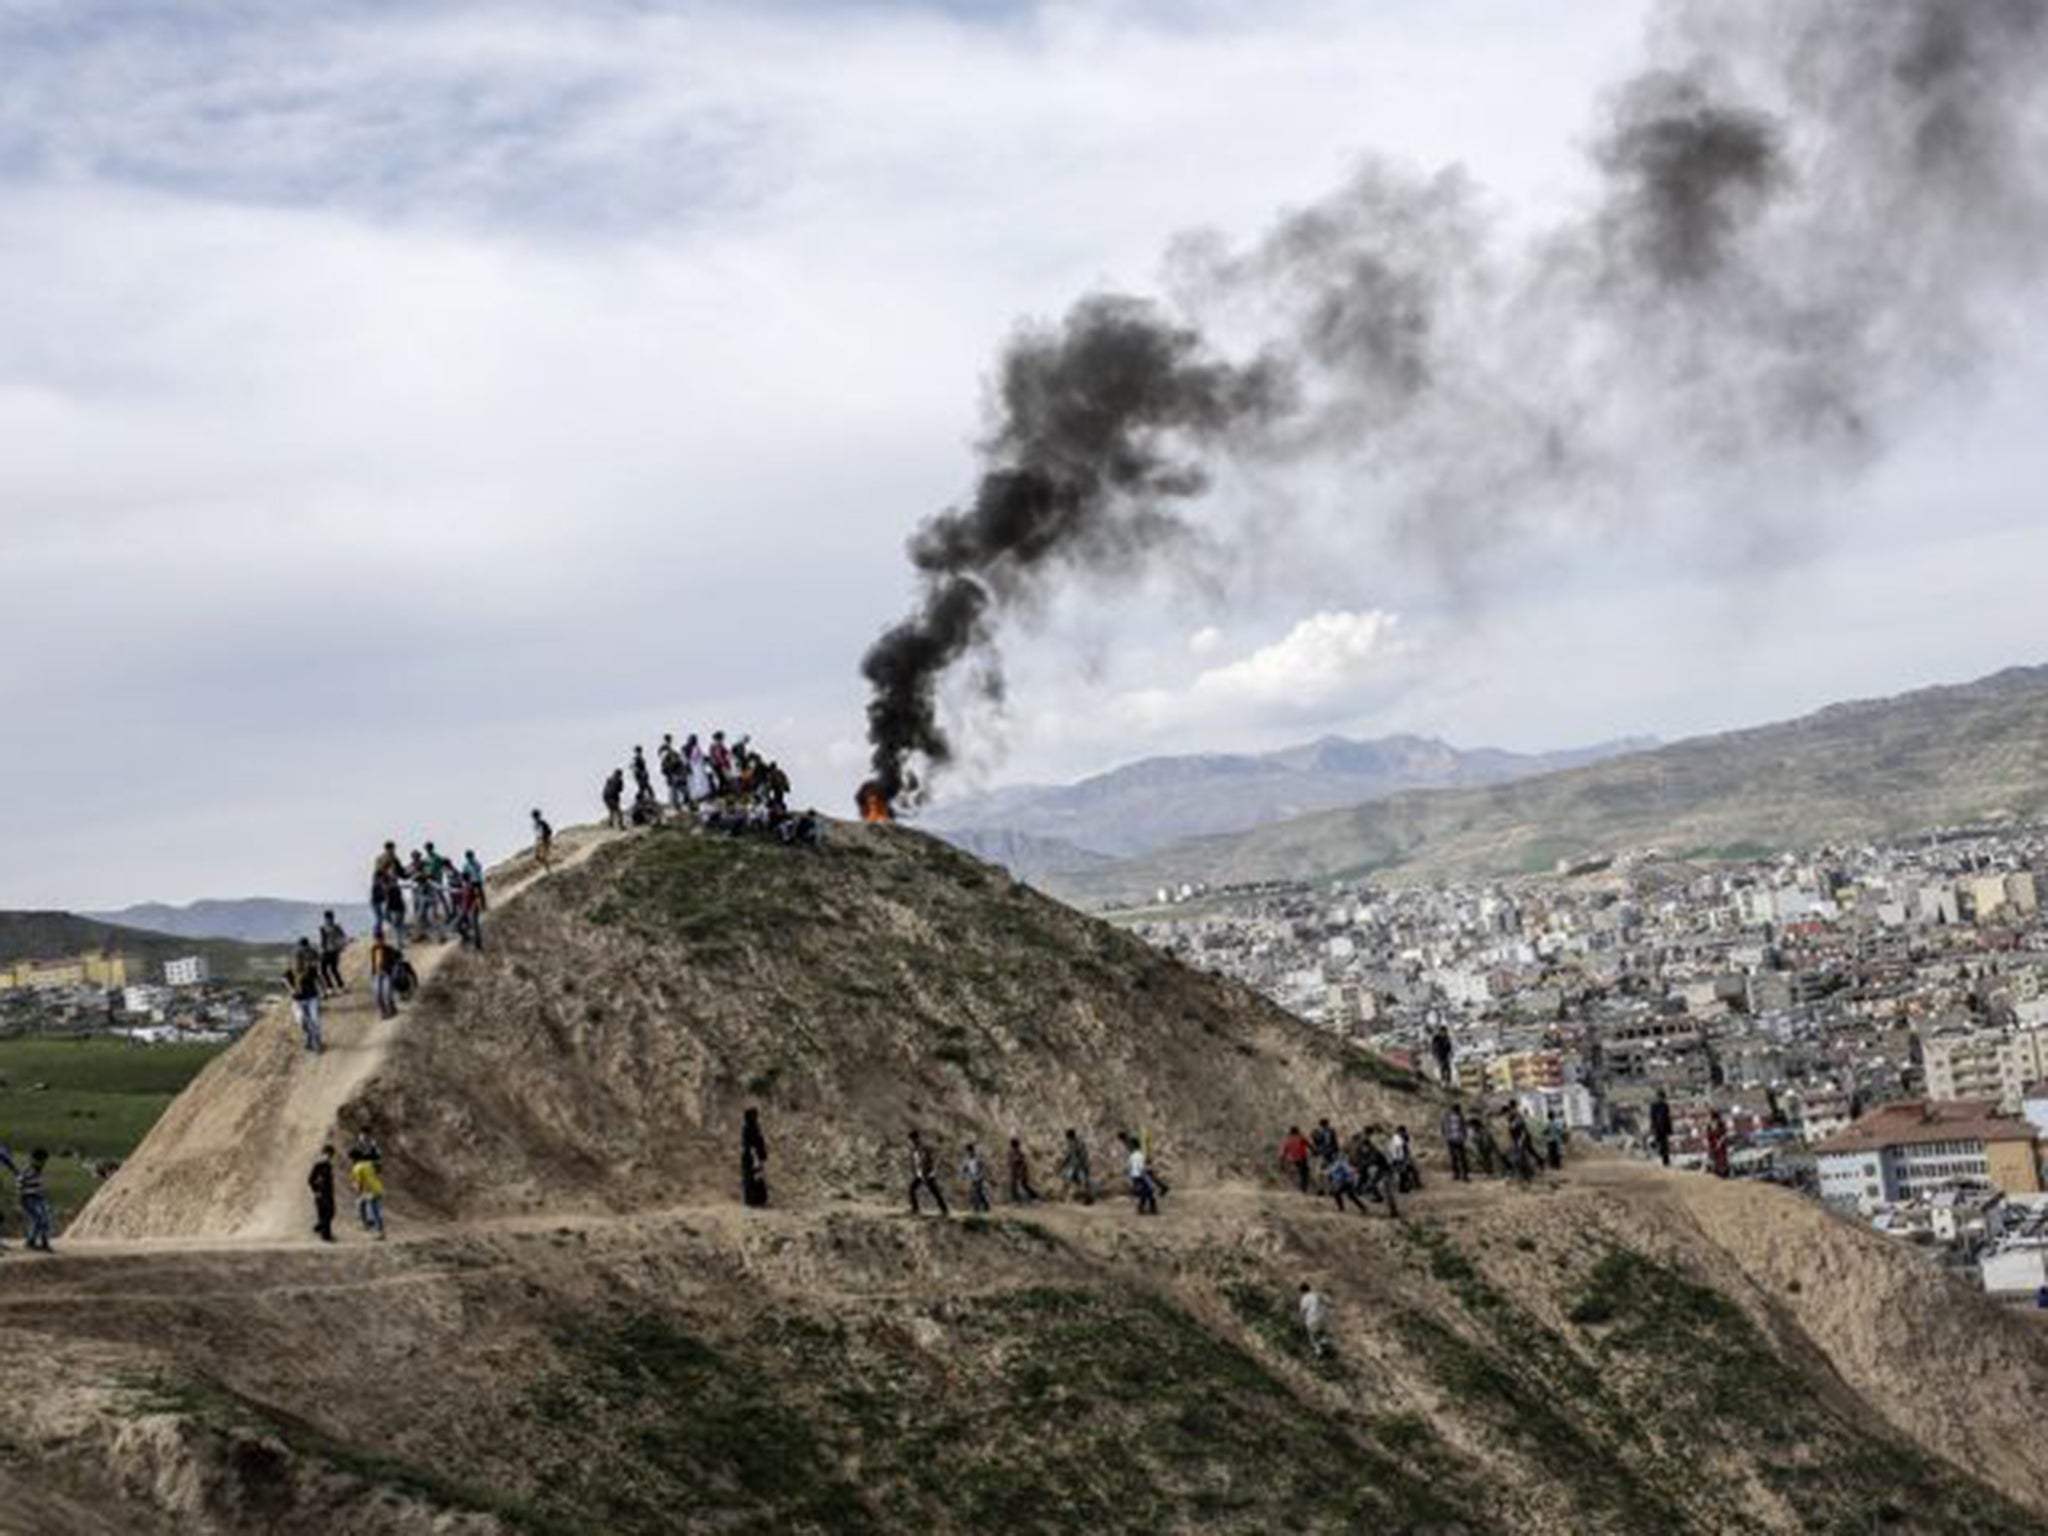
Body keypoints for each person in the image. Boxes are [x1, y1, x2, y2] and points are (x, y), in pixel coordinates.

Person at [0, 1147, 53, 1253]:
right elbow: (19, 1182)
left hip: (38, 1198)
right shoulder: (28, 1170)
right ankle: (35, 1241)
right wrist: (19, 1198)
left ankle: (39, 1241)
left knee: (44, 1218)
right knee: (40, 1218)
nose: (43, 1163)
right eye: (42, 1161)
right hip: (28, 1198)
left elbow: (39, 1186)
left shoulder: (38, 1171)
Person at [286, 940, 323, 1054]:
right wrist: (291, 989)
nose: (298, 961)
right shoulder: (290, 972)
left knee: (315, 1020)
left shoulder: (310, 969)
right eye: (296, 959)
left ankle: (317, 1043)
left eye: (300, 959)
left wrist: (324, 990)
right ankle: (308, 1038)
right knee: (302, 1022)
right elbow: (284, 980)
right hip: (298, 1001)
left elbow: (318, 978)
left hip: (312, 998)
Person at [907, 1130, 949, 1217]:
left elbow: (932, 1159)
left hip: (927, 1173)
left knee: (935, 1191)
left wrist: (931, 1170)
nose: (912, 1141)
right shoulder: (914, 1150)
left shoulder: (925, 1148)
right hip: (919, 1174)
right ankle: (915, 1209)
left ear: (917, 1138)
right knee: (912, 1190)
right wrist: (915, 1171)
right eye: (911, 1140)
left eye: (913, 1139)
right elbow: (915, 1162)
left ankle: (944, 1210)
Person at [1121, 1132, 1159, 1216]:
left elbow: (1128, 1167)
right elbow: (1142, 1167)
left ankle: (1145, 1208)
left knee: (1146, 1193)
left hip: (1135, 1177)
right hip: (1141, 1176)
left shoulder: (1132, 1156)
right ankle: (1149, 1208)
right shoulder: (1140, 1155)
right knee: (1148, 1192)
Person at [351, 1152, 385, 1240]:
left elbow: (359, 1183)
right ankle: (377, 1229)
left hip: (369, 1190)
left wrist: (359, 1192)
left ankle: (376, 1230)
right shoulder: (369, 1163)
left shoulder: (357, 1167)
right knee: (375, 1210)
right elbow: (379, 1169)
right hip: (378, 1188)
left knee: (372, 1210)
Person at [741, 1109, 769, 1208]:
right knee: (752, 1179)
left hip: (755, 1156)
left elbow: (759, 1141)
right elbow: (749, 1145)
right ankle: (752, 1200)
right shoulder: (747, 1128)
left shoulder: (754, 1127)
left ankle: (758, 1200)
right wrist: (755, 1157)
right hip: (751, 1157)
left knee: (758, 1178)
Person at [309, 1145, 337, 1242]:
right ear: (323, 1153)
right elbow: (310, 1179)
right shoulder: (319, 1165)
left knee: (331, 1212)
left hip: (328, 1193)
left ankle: (322, 1230)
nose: (329, 1156)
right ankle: (325, 1235)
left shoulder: (329, 1165)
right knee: (325, 1213)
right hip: (321, 1193)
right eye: (327, 1154)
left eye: (331, 1155)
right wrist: (316, 1190)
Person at [1059, 1129, 1094, 1205]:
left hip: (1077, 1166)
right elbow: (1068, 1156)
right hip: (1075, 1165)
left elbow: (1081, 1156)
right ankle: (1068, 1197)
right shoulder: (1075, 1144)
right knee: (1079, 1181)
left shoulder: (1077, 1144)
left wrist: (1063, 1164)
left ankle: (1084, 1198)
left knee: (1079, 1182)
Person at [317, 910, 347, 994]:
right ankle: (332, 987)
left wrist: (340, 947)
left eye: (329, 918)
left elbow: (343, 938)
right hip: (326, 952)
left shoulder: (336, 927)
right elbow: (322, 941)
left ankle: (339, 986)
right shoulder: (323, 928)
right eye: (327, 918)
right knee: (324, 970)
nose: (328, 920)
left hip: (333, 952)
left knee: (333, 969)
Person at [1441, 1102, 1471, 1183]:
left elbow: (1463, 1128)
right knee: (1458, 1157)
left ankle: (1460, 1174)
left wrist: (1464, 1136)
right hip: (1454, 1138)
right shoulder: (1450, 1117)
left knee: (1458, 1157)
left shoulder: (1456, 1117)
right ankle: (1459, 1174)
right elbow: (1443, 1126)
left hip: (1456, 1138)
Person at [1298, 1283, 1330, 1358]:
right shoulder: (1316, 1295)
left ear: (1302, 1291)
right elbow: (1327, 1303)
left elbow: (1303, 1310)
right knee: (1321, 1331)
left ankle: (1318, 1351)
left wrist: (1301, 1320)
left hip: (1312, 1318)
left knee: (1312, 1335)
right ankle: (1324, 1341)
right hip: (1322, 1317)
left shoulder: (1305, 1298)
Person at [1006, 1138, 1039, 1204]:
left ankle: (1034, 1196)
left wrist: (1020, 1171)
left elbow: (1019, 1162)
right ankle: (1016, 1199)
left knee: (1022, 1185)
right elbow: (1011, 1162)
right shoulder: (1014, 1153)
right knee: (1015, 1185)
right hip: (1016, 1172)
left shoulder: (1018, 1153)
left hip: (1019, 1172)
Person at [1390, 1124, 1421, 1193]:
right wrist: (1396, 1159)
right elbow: (1395, 1150)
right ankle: (1403, 1188)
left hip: (1403, 1158)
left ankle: (1413, 1185)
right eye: (1403, 1132)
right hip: (1400, 1159)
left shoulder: (1402, 1138)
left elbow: (1407, 1144)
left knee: (1409, 1172)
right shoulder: (1396, 1139)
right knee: (1403, 1174)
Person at [962, 1143, 993, 1214]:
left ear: (973, 1150)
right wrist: (964, 1175)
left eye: (970, 1151)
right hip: (972, 1178)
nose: (969, 1153)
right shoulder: (967, 1160)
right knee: (977, 1193)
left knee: (978, 1193)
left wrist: (980, 1176)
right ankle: (980, 1209)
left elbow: (982, 1168)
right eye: (968, 1152)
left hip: (979, 1178)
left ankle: (982, 1208)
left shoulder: (978, 1159)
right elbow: (965, 1169)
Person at [1280, 1125, 1312, 1193]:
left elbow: (1283, 1151)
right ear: (1297, 1131)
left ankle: (1294, 1188)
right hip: (1301, 1158)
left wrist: (1281, 1162)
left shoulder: (1287, 1139)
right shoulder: (1301, 1137)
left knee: (1293, 1174)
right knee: (1304, 1173)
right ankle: (1303, 1189)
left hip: (1290, 1159)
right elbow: (1309, 1145)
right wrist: (1315, 1151)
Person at [1649, 1090, 1674, 1168]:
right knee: (1660, 1143)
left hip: (1662, 1128)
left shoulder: (1665, 1105)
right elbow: (1652, 1117)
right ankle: (1663, 1158)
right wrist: (1653, 1126)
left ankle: (1665, 1160)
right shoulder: (1654, 1105)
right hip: (1658, 1127)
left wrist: (1669, 1129)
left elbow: (1667, 1118)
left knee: (1664, 1144)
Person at [1707, 1109, 1732, 1178]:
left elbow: (1724, 1134)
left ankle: (1724, 1173)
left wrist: (1720, 1141)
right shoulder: (1710, 1124)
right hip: (1714, 1144)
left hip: (1721, 1144)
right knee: (1715, 1158)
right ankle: (1717, 1172)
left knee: (1722, 1159)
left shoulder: (1721, 1123)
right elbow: (1709, 1135)